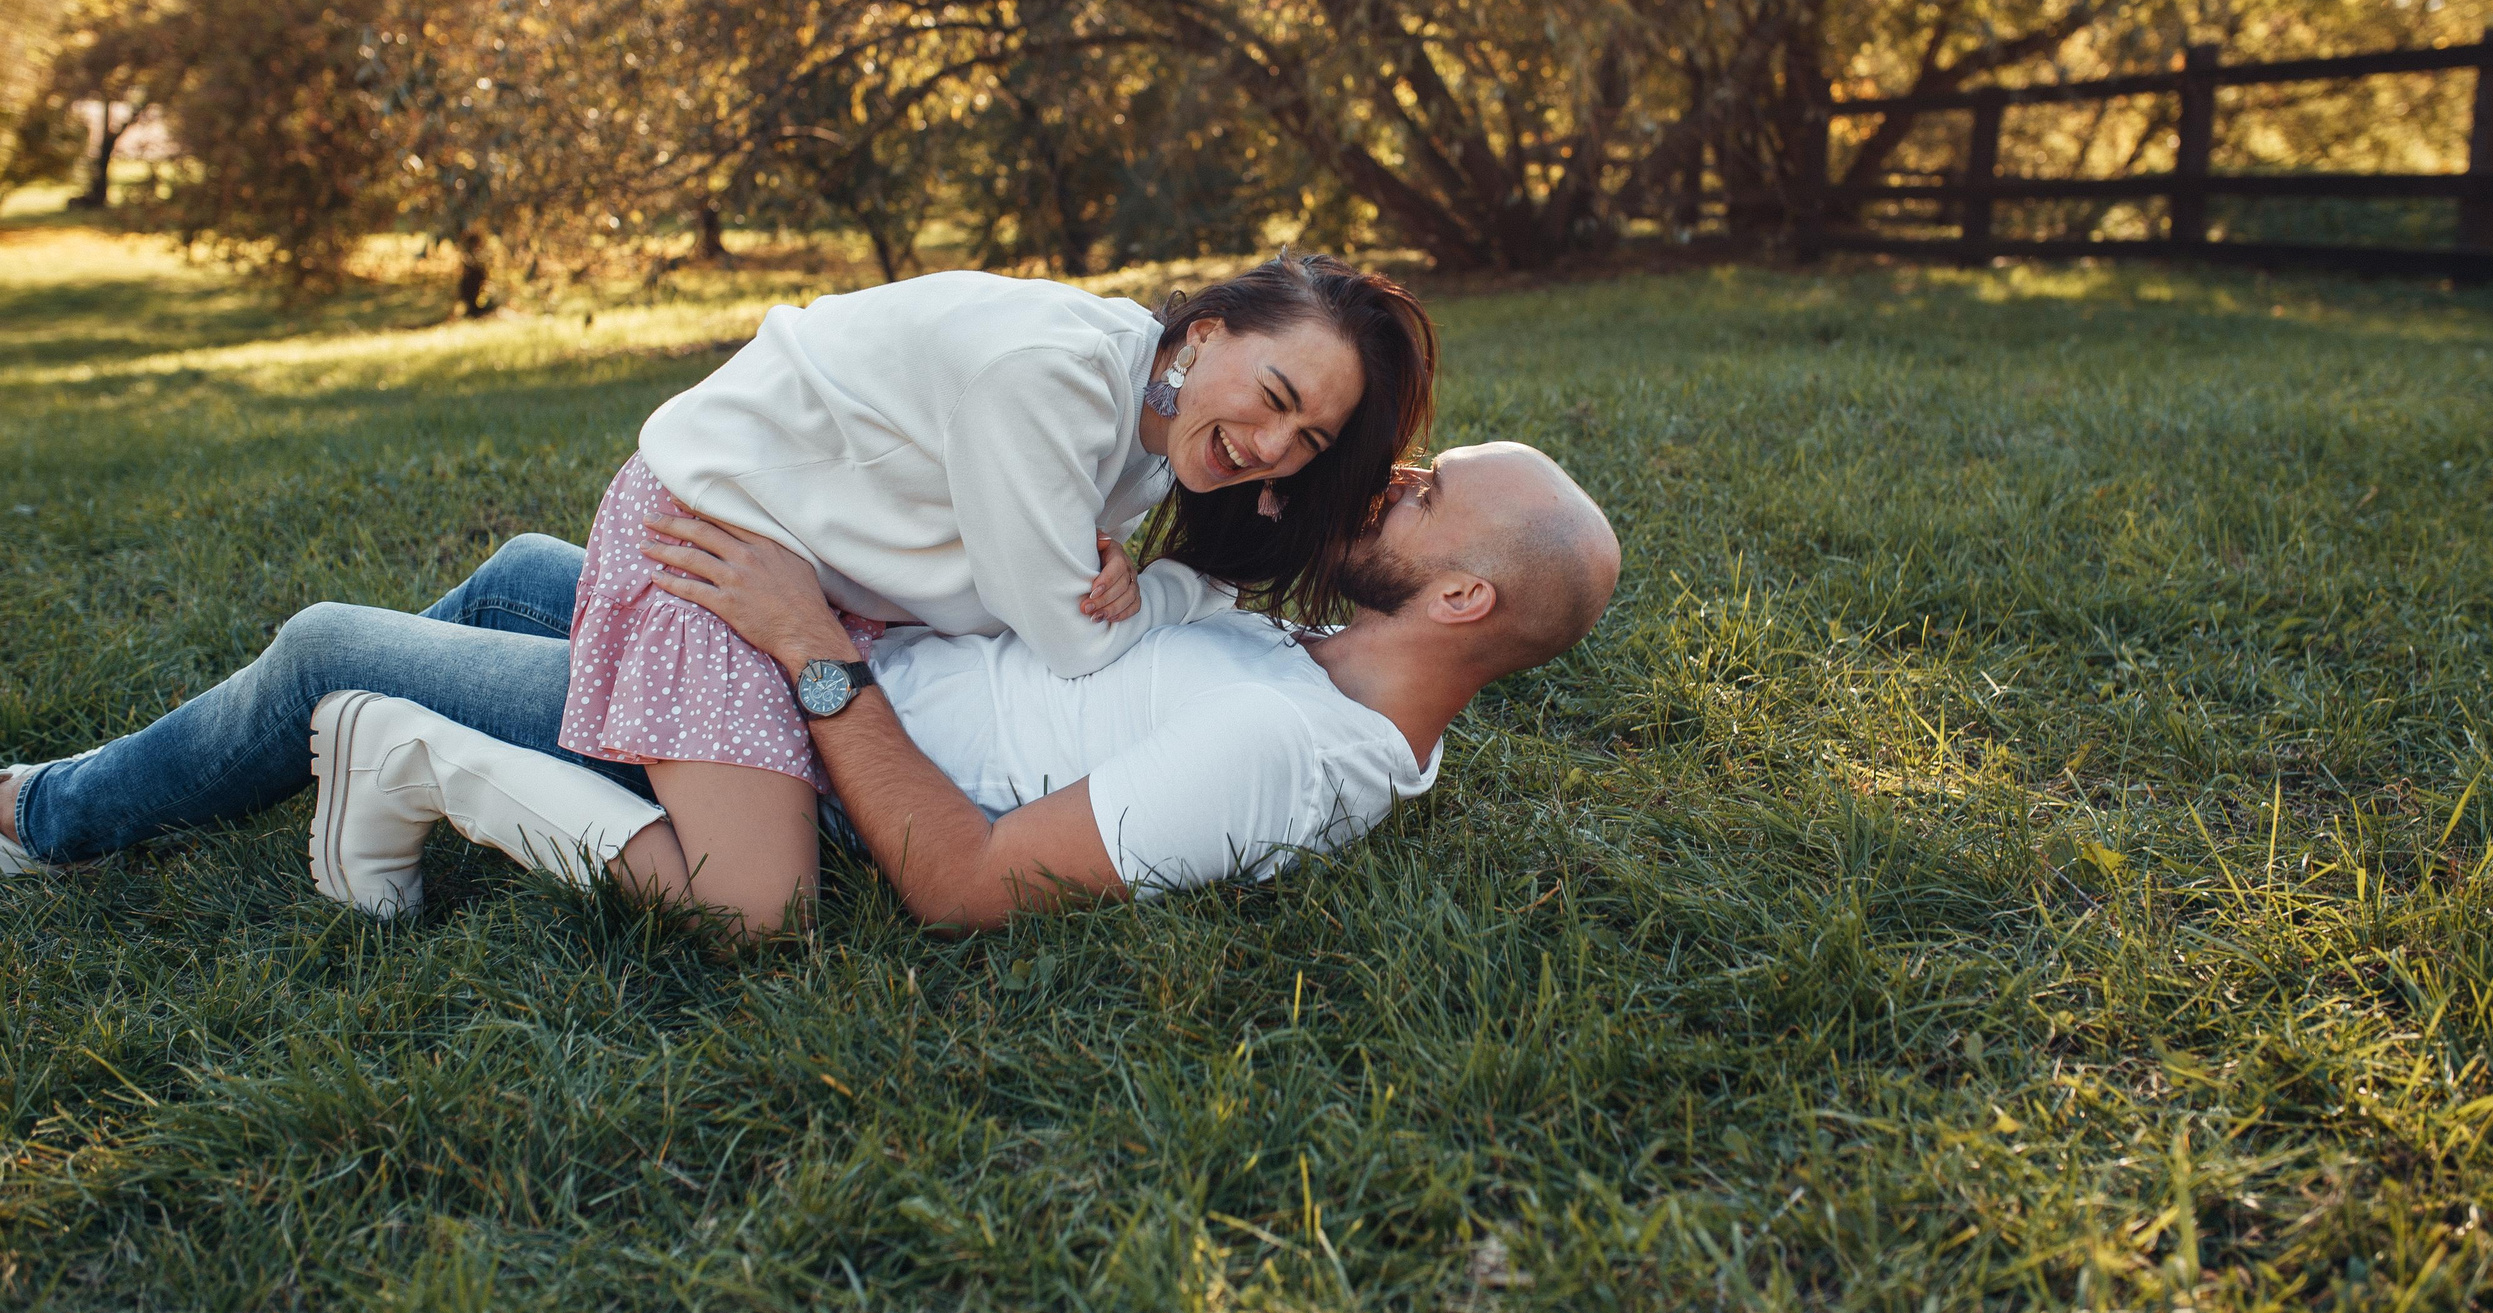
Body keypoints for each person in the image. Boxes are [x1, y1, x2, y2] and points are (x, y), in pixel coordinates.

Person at [1, 256, 1437, 931]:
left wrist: (1146, 574)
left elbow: (1024, 590)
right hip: (723, 548)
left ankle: (525, 597)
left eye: (1305, 444)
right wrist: (1179, 601)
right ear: (1210, 326)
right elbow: (1062, 634)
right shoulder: (1052, 380)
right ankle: (69, 805)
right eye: (1277, 393)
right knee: (755, 906)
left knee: (585, 664)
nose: (1267, 447)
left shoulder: (1134, 422)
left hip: (793, 561)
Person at [7, 445, 1618, 941]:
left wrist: (813, 651)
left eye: (1424, 492)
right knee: (519, 572)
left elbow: (968, 882)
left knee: (332, 645)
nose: (1389, 473)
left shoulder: (1288, 746)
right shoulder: (1331, 687)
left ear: (1466, 596)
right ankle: (264, 769)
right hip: (820, 666)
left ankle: (44, 816)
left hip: (791, 740)